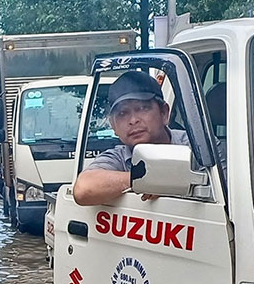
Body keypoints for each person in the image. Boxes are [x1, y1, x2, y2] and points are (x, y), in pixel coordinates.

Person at [73, 71, 189, 206]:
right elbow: (83, 189)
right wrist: (147, 179)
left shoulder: (198, 148)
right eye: (123, 113)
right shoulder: (118, 157)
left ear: (164, 113)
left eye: (142, 108)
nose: (133, 120)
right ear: (113, 126)